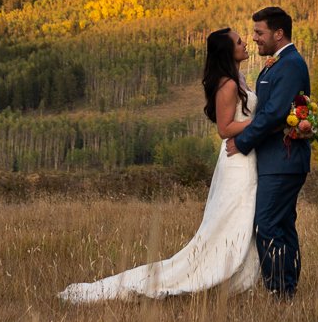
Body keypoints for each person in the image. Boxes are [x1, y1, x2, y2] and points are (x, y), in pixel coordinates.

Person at [58, 25, 264, 302]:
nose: (245, 44)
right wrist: (263, 122)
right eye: (239, 42)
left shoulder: (236, 79)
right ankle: (212, 277)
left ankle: (242, 277)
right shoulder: (227, 85)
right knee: (230, 222)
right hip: (236, 162)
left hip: (245, 158)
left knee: (243, 220)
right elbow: (225, 129)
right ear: (229, 51)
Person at [228, 6, 311, 298]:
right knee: (283, 223)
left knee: (267, 224)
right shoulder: (277, 63)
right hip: (278, 160)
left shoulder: (289, 65)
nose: (255, 38)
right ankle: (286, 289)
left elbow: (275, 113)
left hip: (283, 160)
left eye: (259, 33)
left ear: (279, 33)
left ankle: (279, 290)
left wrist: (242, 141)